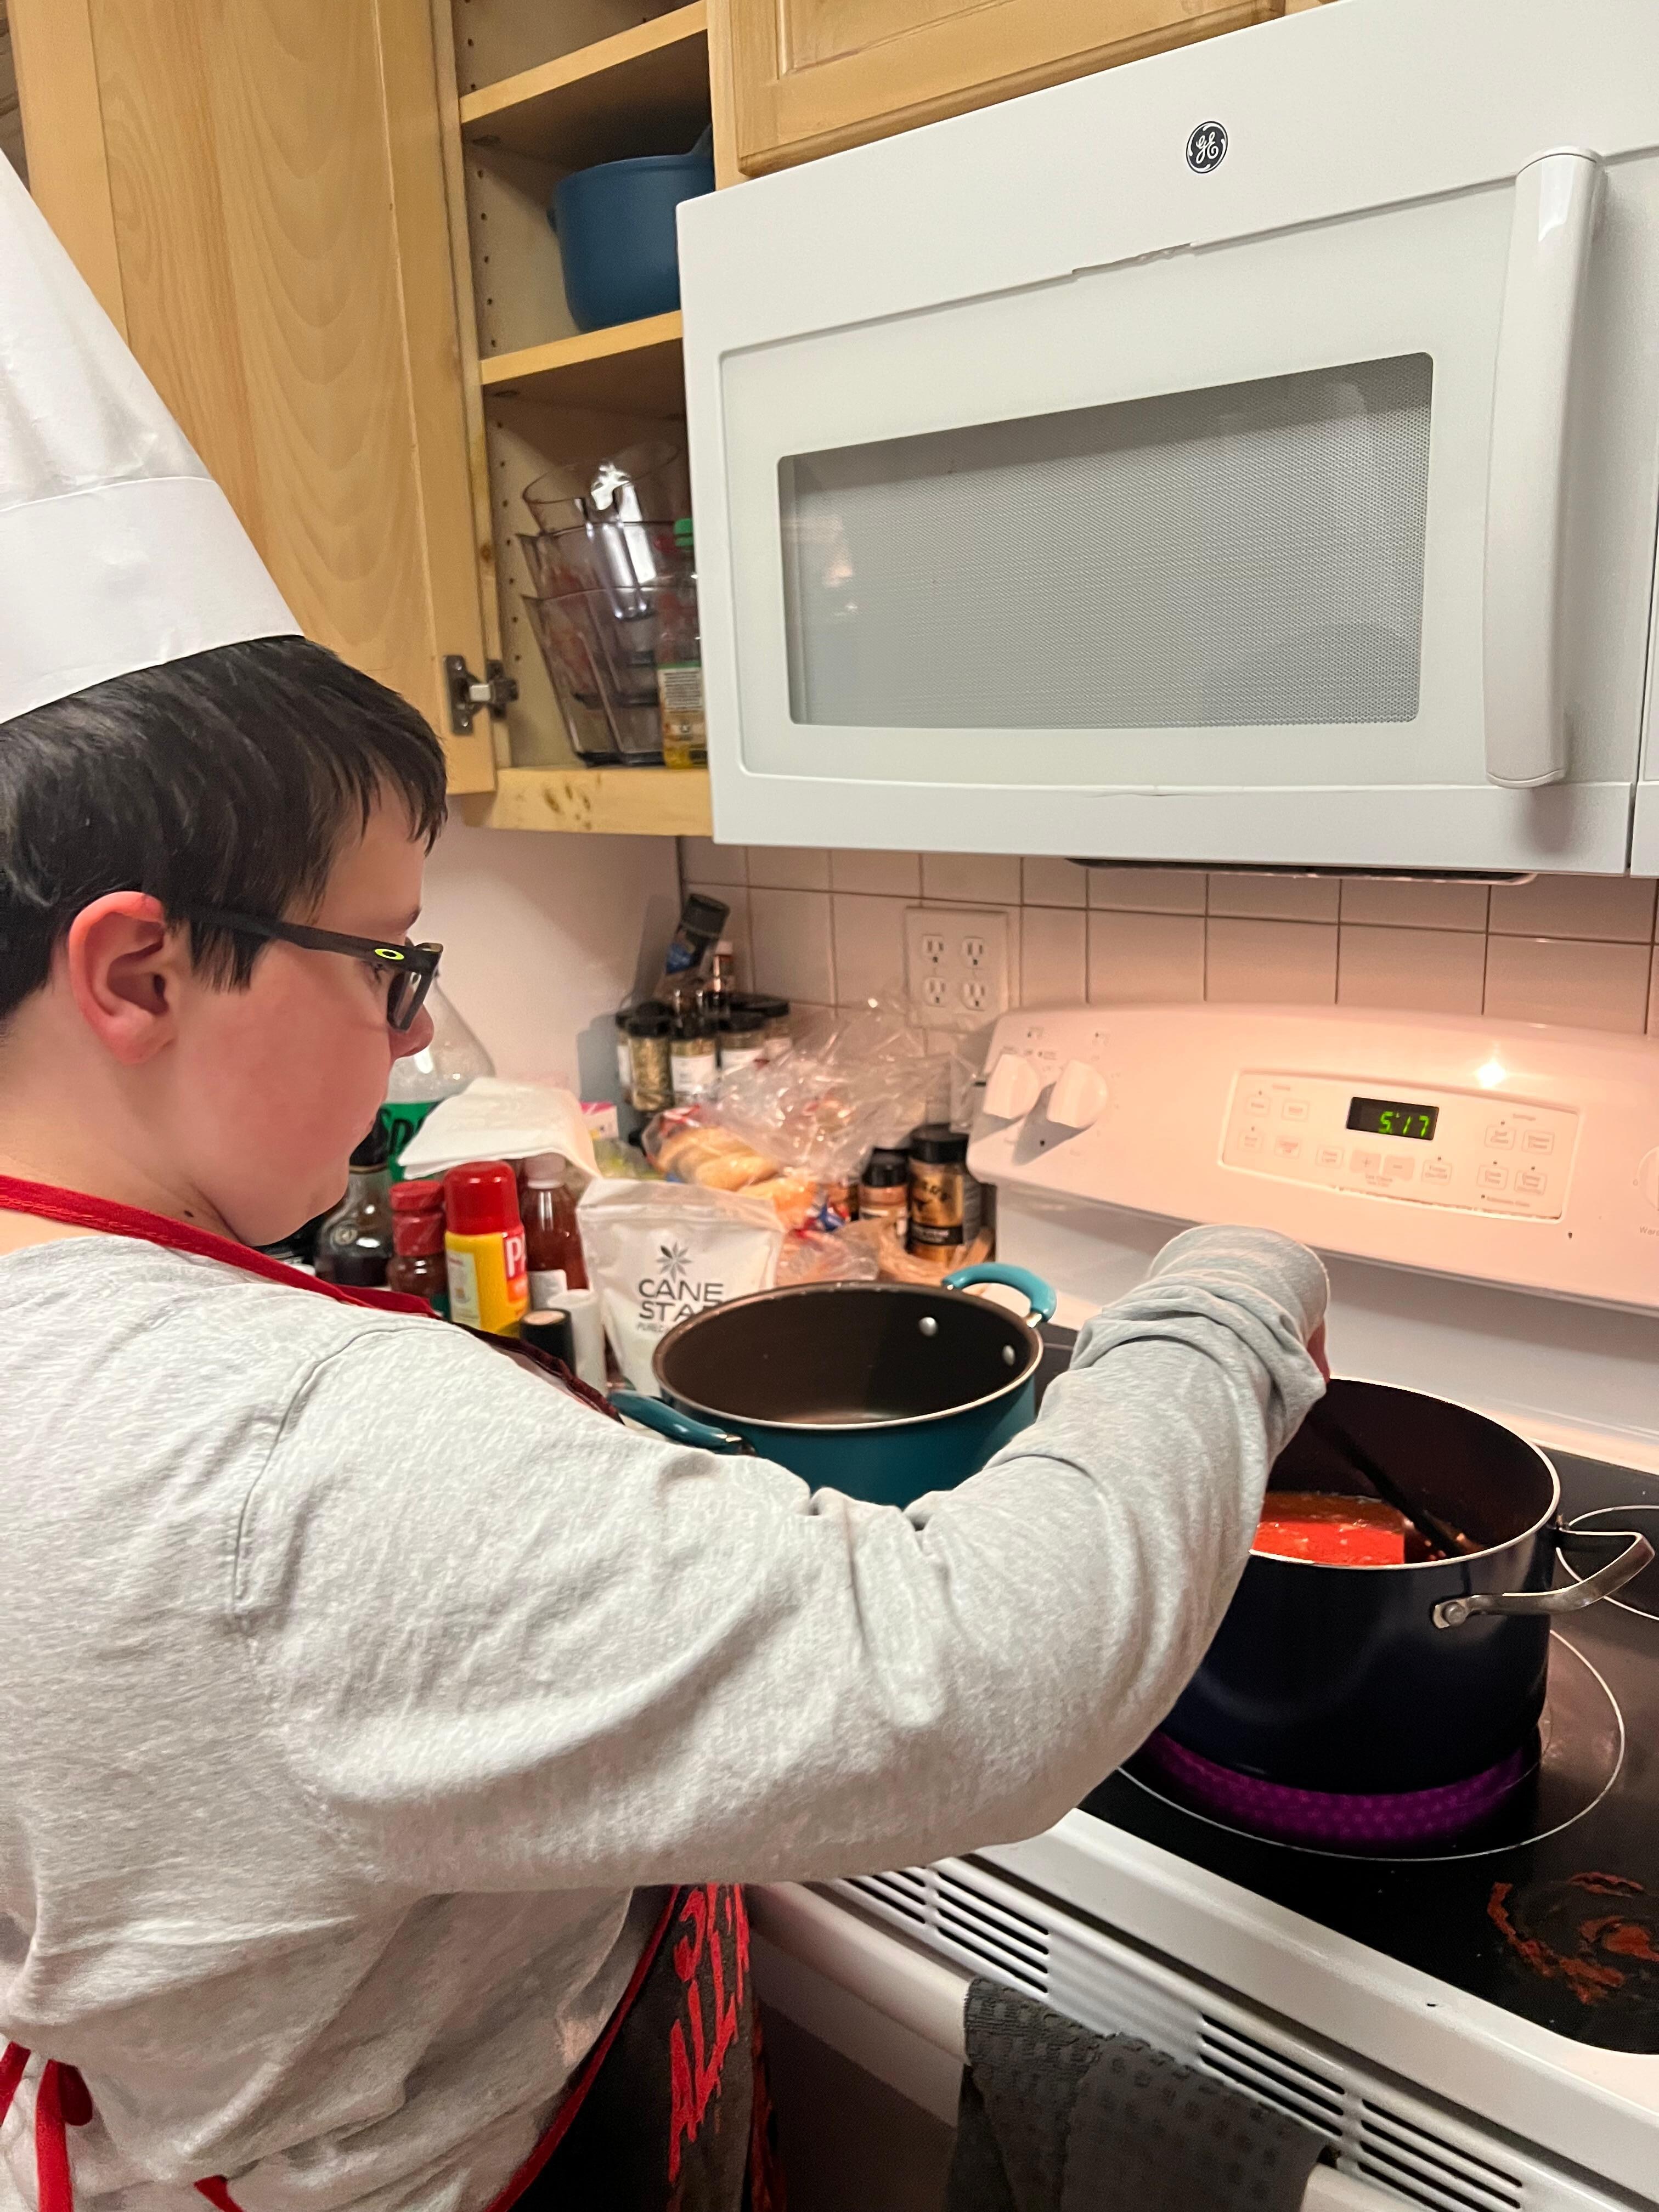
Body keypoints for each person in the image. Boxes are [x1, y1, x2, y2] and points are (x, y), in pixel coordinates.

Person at [0, 159, 1328, 2212]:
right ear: (139, 968)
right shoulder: (260, 1461)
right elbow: (970, 1674)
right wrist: (1233, 1299)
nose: (420, 1045)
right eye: (389, 962)